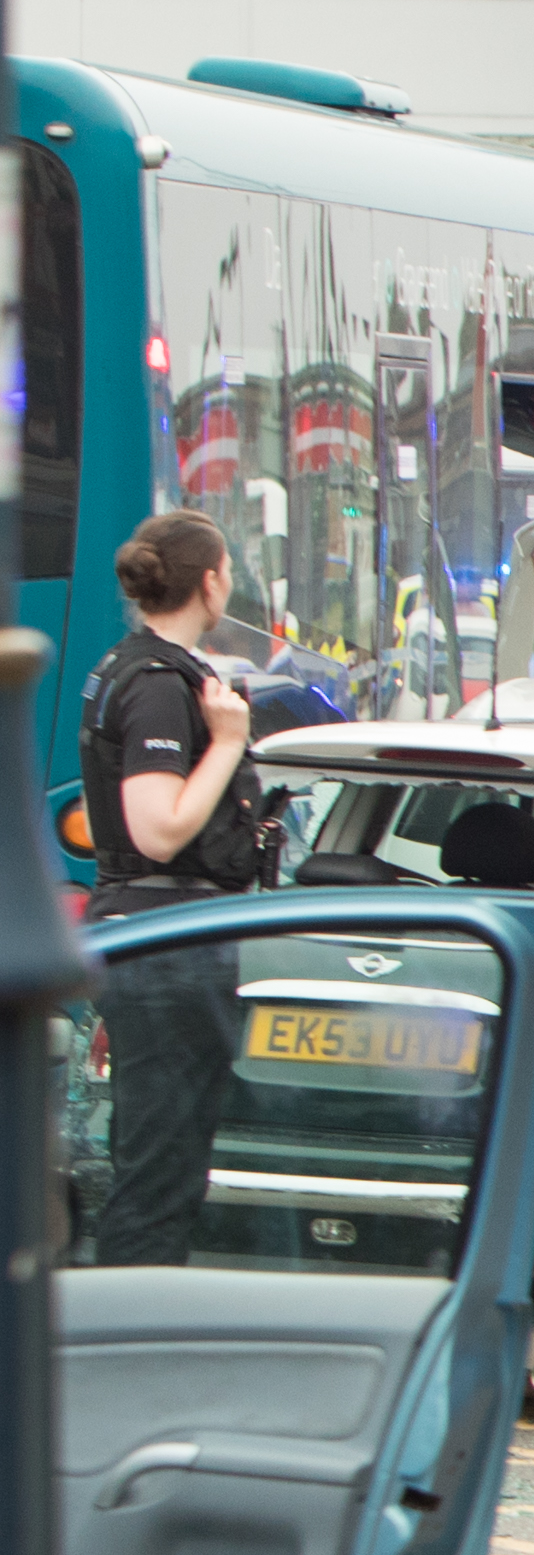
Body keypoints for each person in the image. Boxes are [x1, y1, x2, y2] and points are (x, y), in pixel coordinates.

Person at [78, 511, 262, 1266]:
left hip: (152, 936)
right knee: (161, 1172)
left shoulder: (131, 664)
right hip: (167, 939)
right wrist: (226, 744)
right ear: (211, 581)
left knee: (157, 1160)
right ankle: (129, 1338)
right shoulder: (158, 685)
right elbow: (158, 829)